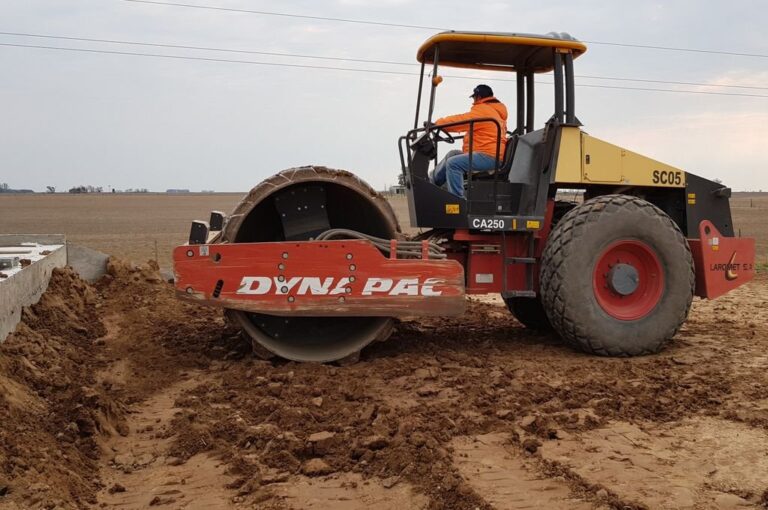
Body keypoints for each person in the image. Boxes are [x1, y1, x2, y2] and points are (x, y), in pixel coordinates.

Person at [430, 84, 508, 197]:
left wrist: (438, 124)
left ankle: (457, 201)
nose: (473, 101)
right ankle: (432, 183)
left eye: (474, 98)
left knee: (453, 164)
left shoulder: (484, 111)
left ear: (479, 97)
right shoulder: (494, 111)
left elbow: (461, 120)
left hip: (489, 156)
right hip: (486, 153)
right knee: (452, 155)